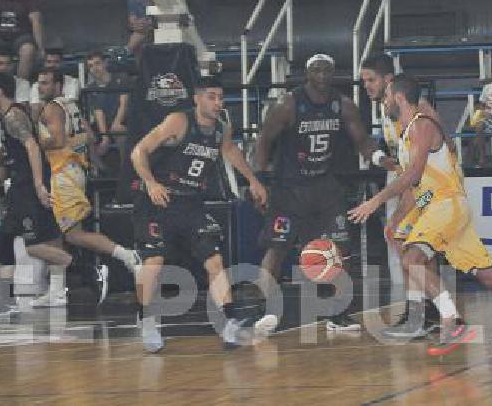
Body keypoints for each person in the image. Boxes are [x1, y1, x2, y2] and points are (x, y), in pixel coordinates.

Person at [347, 76, 492, 356]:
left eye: (387, 97)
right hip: (441, 205)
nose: (383, 102)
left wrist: (377, 200)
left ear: (400, 98)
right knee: (490, 277)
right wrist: (397, 219)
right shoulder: (406, 133)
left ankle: (452, 321)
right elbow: (418, 188)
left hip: (447, 204)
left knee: (412, 258)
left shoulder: (422, 125)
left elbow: (413, 176)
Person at [251, 53, 389, 335]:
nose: (323, 76)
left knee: (338, 250)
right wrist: (257, 181)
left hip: (324, 187)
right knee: (277, 249)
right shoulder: (288, 104)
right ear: (307, 74)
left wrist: (378, 158)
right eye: (317, 70)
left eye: (328, 70)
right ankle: (264, 309)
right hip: (289, 187)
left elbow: (362, 141)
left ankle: (339, 312)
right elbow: (264, 141)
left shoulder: (343, 105)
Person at [130, 76, 269, 353]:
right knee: (154, 263)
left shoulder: (221, 130)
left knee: (215, 261)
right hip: (158, 201)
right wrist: (151, 182)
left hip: (191, 204)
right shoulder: (179, 121)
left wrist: (253, 180)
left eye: (220, 97)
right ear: (197, 98)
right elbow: (138, 151)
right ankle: (146, 321)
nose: (218, 103)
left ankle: (230, 324)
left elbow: (230, 151)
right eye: (211, 97)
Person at [36, 68, 142, 305]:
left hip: (63, 174)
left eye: (46, 83)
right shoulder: (72, 105)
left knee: (73, 235)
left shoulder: (52, 107)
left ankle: (125, 255)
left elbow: (58, 140)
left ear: (58, 85)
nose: (41, 87)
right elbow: (91, 138)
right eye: (39, 83)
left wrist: (36, 141)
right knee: (58, 233)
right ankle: (56, 290)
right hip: (75, 171)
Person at [358, 54, 446, 337]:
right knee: (410, 244)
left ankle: (434, 314)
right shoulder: (390, 109)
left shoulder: (417, 110)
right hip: (416, 184)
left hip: (431, 187)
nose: (367, 86)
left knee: (411, 245)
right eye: (364, 81)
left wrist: (390, 201)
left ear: (388, 80)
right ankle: (424, 313)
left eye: (371, 80)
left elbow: (429, 160)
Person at [0, 72, 73, 308]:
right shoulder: (12, 114)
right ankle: (51, 293)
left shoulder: (13, 116)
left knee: (33, 245)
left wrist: (37, 185)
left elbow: (33, 148)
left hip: (27, 184)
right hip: (23, 183)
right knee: (43, 238)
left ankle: (78, 264)